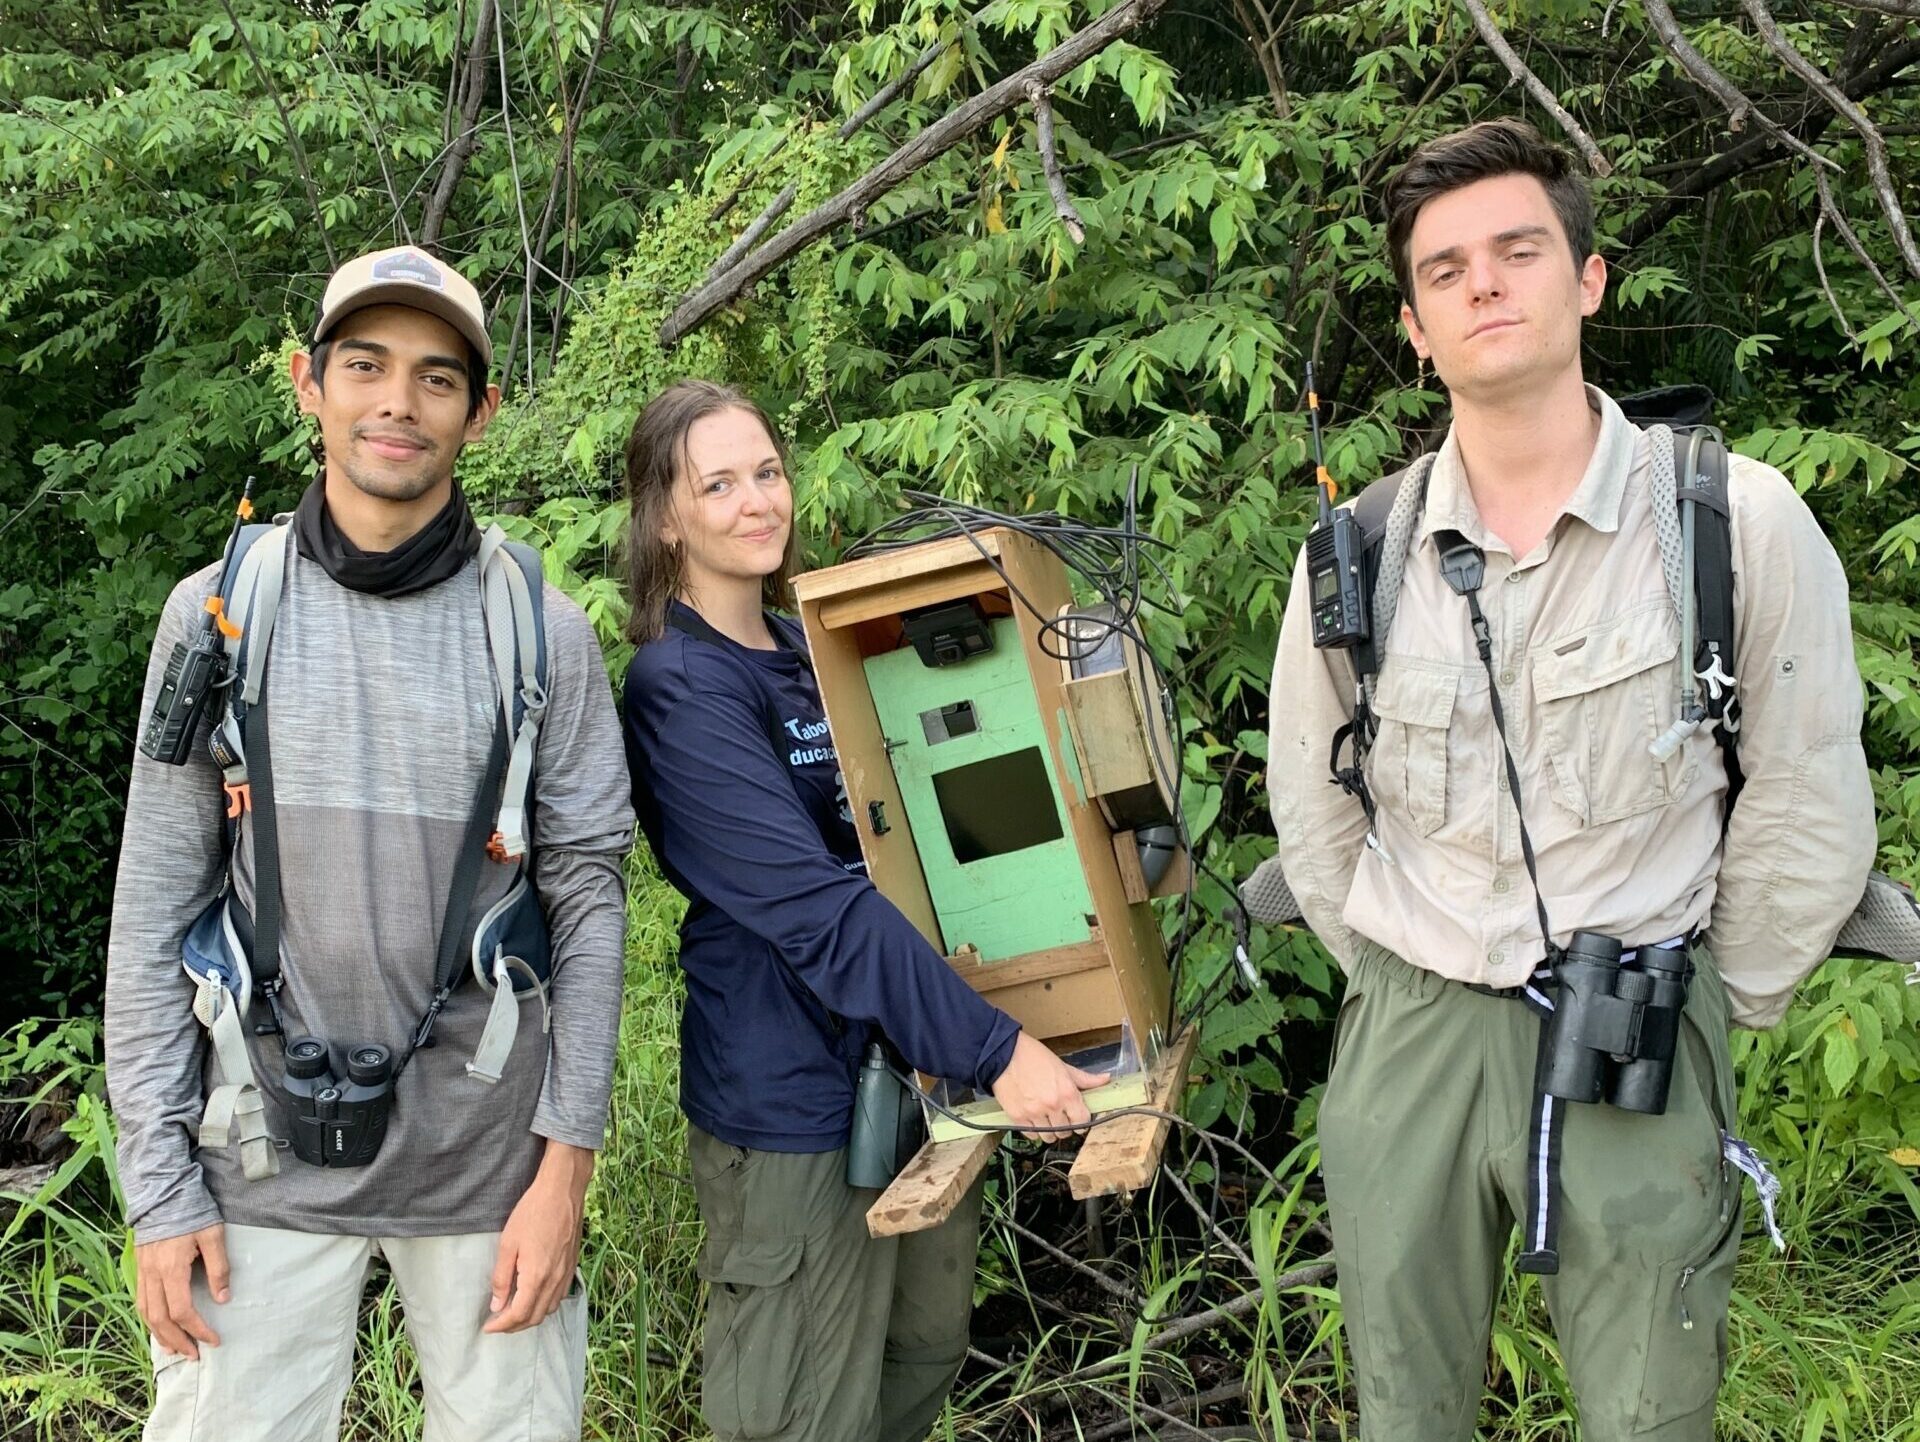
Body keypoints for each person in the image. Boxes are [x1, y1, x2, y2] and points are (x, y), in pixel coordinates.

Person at [1267, 120, 1874, 1440]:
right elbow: (1314, 807)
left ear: (1586, 282)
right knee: (1405, 1412)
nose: (1483, 284)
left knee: (1652, 1413)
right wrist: (1393, 990)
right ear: (1417, 329)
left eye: (1517, 251)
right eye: (1445, 271)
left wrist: (1722, 1001)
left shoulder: (1733, 520)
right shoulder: (1359, 554)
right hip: (1413, 1034)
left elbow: (1809, 793)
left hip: (1639, 1028)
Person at [104, 246, 634, 1442]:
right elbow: (152, 907)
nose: (398, 401)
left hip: (489, 1170)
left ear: (481, 412)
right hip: (254, 1150)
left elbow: (591, 904)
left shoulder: (541, 633)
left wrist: (565, 1175)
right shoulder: (218, 616)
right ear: (310, 383)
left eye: (437, 378)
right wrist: (157, 1187)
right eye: (366, 365)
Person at [618, 379, 1108, 1442]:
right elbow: (814, 905)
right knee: (805, 1408)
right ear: (666, 515)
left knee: (918, 1355)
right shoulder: (682, 688)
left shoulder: (812, 652)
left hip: (915, 1076)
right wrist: (998, 1047)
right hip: (793, 1108)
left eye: (768, 471)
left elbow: (924, 837)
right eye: (719, 483)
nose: (758, 501)